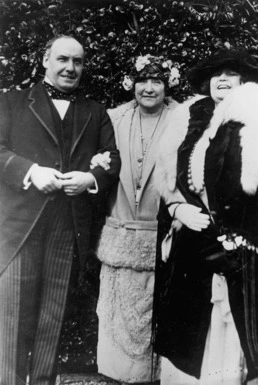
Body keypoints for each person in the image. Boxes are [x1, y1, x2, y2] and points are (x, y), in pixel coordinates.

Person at [152, 48, 258, 385]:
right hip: (193, 248)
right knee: (190, 337)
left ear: (244, 80)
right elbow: (170, 183)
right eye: (216, 73)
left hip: (240, 256)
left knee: (237, 336)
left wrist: (243, 236)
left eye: (231, 73)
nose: (222, 78)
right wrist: (178, 208)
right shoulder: (189, 119)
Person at [0, 35, 121, 385]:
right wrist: (31, 172)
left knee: (53, 315)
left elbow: (112, 159)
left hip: (68, 224)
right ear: (45, 61)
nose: (70, 68)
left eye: (78, 62)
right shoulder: (11, 102)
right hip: (18, 226)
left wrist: (90, 177)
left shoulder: (95, 111)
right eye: (63, 59)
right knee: (10, 315)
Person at [90, 54, 180, 383]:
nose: (149, 87)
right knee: (118, 318)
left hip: (162, 238)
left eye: (157, 80)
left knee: (155, 319)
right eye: (142, 80)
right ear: (132, 84)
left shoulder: (183, 118)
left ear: (167, 83)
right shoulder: (112, 119)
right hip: (120, 232)